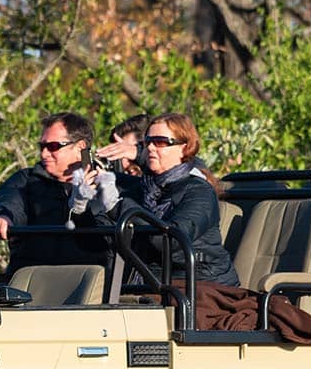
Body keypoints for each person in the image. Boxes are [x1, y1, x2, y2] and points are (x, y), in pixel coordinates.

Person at [98, 112, 239, 286]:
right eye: (148, 142)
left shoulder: (199, 191)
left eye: (160, 142)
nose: (150, 148)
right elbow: (102, 242)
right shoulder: (145, 187)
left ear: (184, 147)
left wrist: (117, 206)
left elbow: (171, 241)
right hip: (153, 283)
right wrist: (81, 205)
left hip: (200, 285)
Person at [0, 112, 108, 273]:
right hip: (33, 280)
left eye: (53, 147)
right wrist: (3, 216)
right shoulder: (26, 180)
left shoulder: (106, 185)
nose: (44, 154)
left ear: (80, 148)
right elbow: (10, 200)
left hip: (87, 282)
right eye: (42, 147)